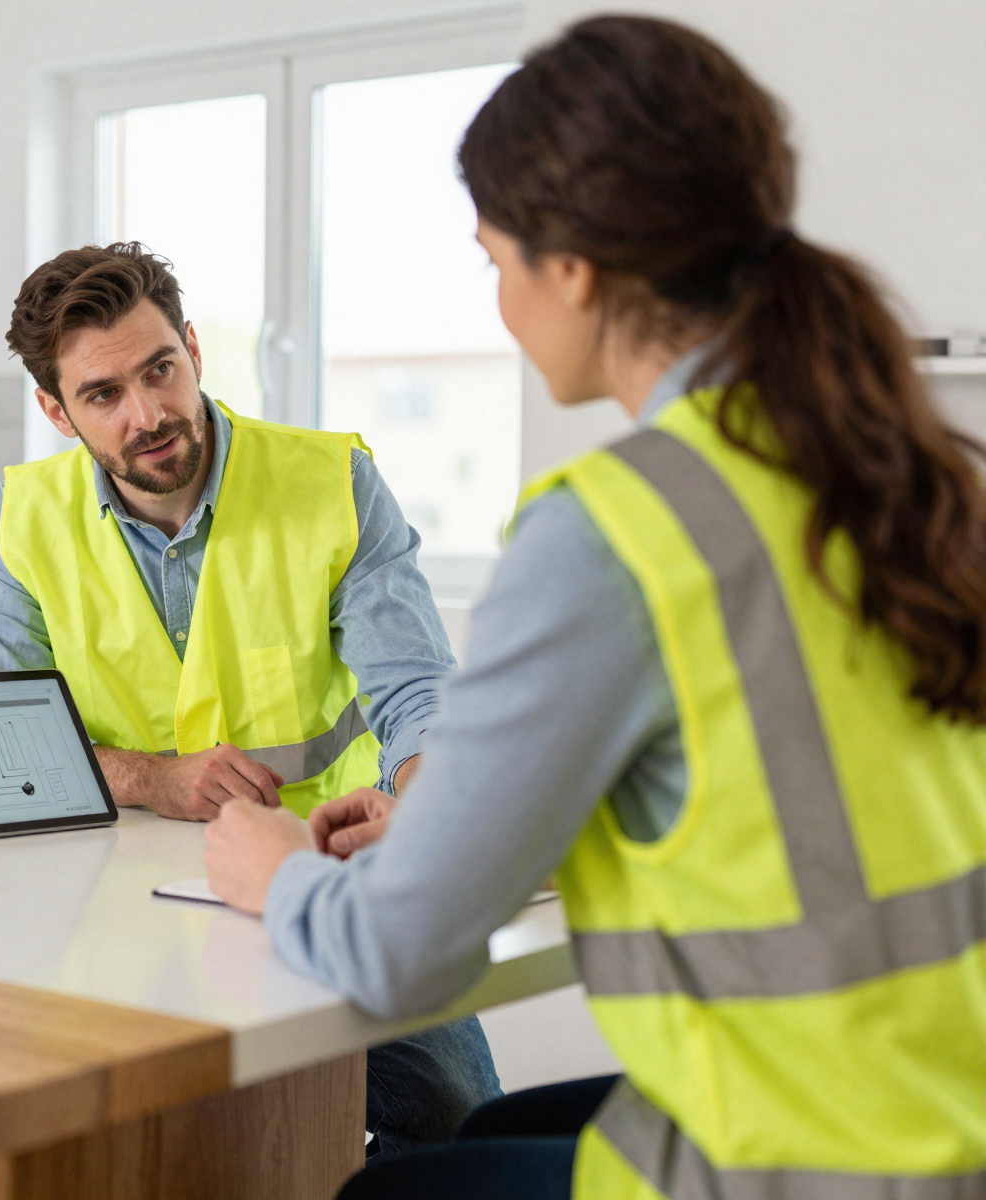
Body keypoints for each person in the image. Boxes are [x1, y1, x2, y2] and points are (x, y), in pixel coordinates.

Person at [203, 15, 986, 1200]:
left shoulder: (614, 528)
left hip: (802, 1160)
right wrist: (452, 821)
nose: (502, 305)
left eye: (494, 260)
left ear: (569, 266)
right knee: (477, 1136)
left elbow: (393, 959)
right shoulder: (890, 469)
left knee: (384, 1190)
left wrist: (273, 872)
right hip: (940, 1113)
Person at [0, 243, 501, 1152]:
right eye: (103, 395)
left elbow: (417, 695)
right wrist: (153, 780)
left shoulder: (332, 484)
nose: (149, 414)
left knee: (452, 1121)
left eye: (160, 369)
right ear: (56, 410)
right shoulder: (24, 517)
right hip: (109, 908)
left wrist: (427, 801)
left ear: (195, 350)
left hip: (328, 876)